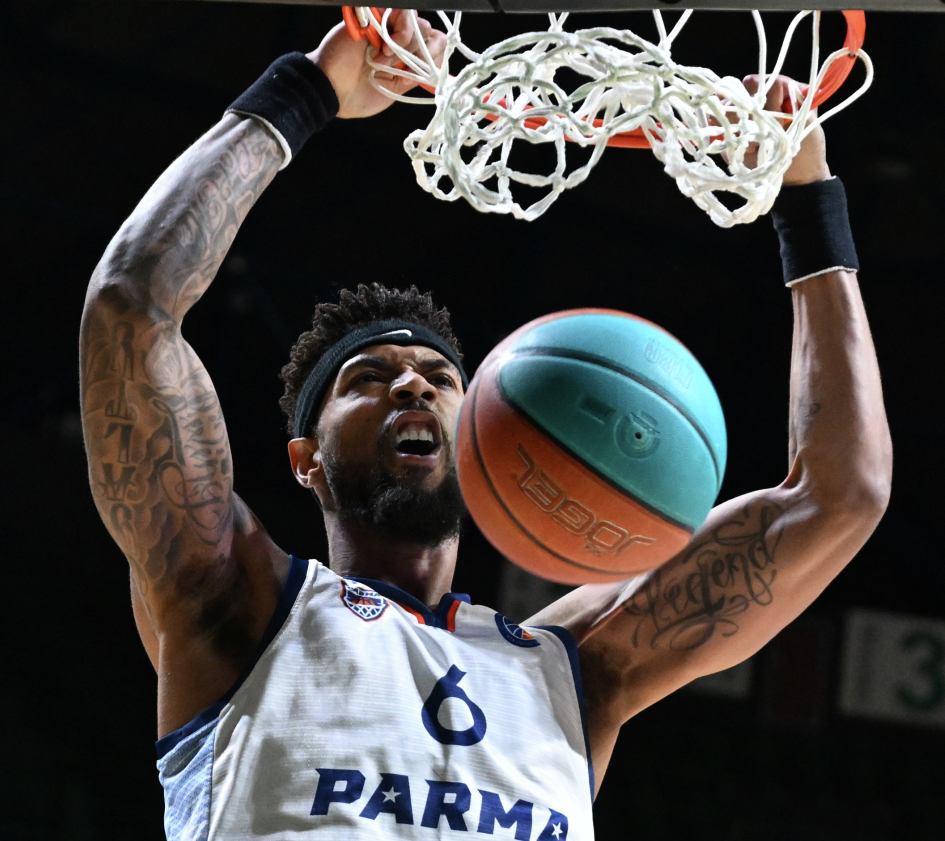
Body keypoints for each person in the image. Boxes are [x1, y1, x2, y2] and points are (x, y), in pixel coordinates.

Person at [79, 11, 891, 840]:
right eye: (368, 379)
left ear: (479, 441)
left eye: (441, 380)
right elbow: (131, 307)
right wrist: (308, 90)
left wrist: (808, 200)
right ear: (306, 459)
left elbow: (840, 496)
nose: (413, 384)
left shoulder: (573, 667)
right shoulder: (238, 601)